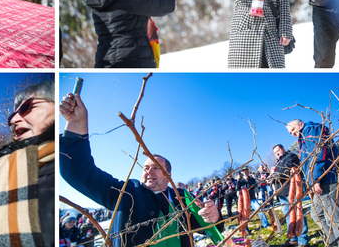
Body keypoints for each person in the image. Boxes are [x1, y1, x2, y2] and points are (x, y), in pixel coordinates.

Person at [59, 93, 221, 247]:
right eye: (146, 167)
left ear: (169, 175)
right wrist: (76, 125)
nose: (149, 171)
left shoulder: (183, 198)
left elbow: (209, 228)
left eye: (156, 168)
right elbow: (79, 173)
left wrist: (214, 216)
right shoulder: (125, 192)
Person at [0, 80, 55, 246]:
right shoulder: (3, 166)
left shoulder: (58, 160)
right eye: (11, 115)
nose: (13, 120)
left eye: (26, 108)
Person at [286, 119, 339, 247]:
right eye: (290, 133)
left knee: (335, 218)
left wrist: (315, 178)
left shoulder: (311, 130)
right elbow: (308, 162)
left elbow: (318, 153)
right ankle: (334, 243)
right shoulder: (303, 138)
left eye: (293, 130)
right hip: (317, 181)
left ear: (301, 125)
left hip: (327, 178)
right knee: (317, 214)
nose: (292, 134)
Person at [271, 144, 309, 247]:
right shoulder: (277, 163)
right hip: (282, 193)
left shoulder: (291, 156)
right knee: (288, 216)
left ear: (283, 149)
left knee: (298, 215)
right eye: (275, 153)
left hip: (291, 190)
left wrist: (274, 175)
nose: (277, 153)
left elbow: (287, 171)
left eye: (278, 151)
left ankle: (303, 241)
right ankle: (293, 238)